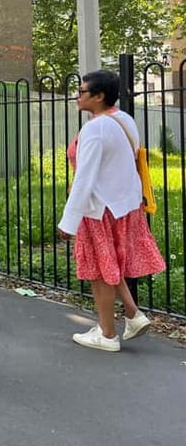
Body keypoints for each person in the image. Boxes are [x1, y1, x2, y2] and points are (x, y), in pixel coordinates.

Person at [58, 70, 165, 352]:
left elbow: (85, 178)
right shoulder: (124, 119)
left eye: (82, 92)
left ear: (99, 96)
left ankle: (106, 334)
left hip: (99, 208)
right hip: (125, 205)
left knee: (99, 271)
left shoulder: (95, 128)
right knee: (110, 265)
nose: (77, 96)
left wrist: (68, 221)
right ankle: (132, 314)